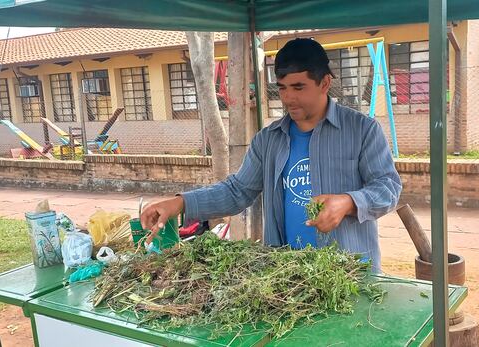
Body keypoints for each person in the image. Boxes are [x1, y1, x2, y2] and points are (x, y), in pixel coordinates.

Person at [140, 38, 402, 272]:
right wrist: (180, 203)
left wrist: (348, 202)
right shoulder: (268, 140)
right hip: (286, 276)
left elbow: (388, 188)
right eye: (283, 87)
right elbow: (238, 191)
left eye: (299, 87)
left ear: (325, 83)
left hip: (349, 274)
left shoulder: (361, 130)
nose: (288, 98)